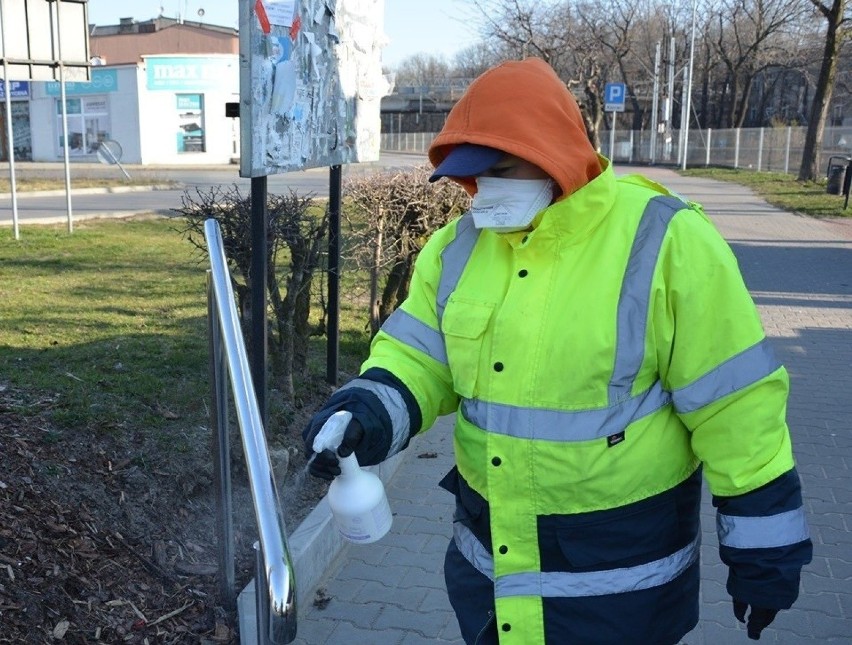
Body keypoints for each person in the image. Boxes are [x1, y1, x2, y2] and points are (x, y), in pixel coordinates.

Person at [303, 57, 812, 644]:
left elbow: (736, 407)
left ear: (556, 154)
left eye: (501, 168)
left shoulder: (666, 240)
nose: (483, 189)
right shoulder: (456, 249)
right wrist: (367, 412)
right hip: (491, 577)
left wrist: (765, 552)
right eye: (473, 175)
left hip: (620, 588)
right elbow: (418, 357)